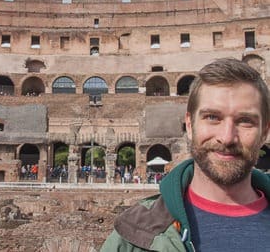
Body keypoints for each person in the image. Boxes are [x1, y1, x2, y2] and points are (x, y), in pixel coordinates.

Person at [101, 58, 270, 251]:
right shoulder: (132, 237)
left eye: (245, 120)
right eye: (212, 117)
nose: (227, 137)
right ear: (189, 125)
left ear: (265, 132)